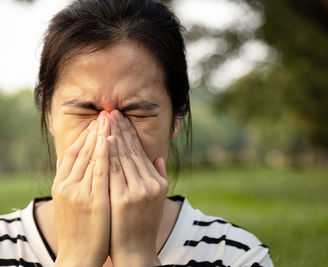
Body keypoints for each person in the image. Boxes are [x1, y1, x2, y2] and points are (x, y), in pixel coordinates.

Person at [0, 0, 274, 266]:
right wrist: (77, 259)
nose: (108, 136)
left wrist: (136, 257)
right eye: (84, 111)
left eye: (136, 113)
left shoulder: (237, 256)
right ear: (49, 115)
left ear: (175, 119)